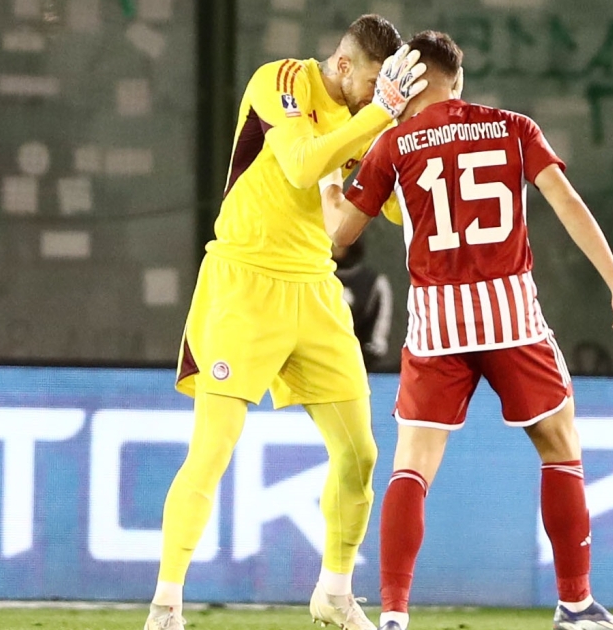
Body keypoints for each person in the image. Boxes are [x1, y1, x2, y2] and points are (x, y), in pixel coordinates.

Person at [319, 31, 613, 630]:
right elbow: (567, 203)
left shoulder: (393, 143)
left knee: (412, 467)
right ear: (458, 81)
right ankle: (576, 605)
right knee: (560, 447)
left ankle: (393, 615)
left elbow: (340, 236)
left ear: (409, 84)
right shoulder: (514, 128)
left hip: (437, 324)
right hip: (510, 317)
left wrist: (329, 183)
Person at [144, 15, 428, 630]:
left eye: (387, 89)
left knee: (360, 456)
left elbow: (396, 209)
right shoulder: (282, 81)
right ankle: (166, 606)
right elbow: (302, 165)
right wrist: (379, 116)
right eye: (375, 84)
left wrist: (412, 135)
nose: (380, 95)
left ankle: (333, 593)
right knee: (212, 451)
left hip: (315, 290)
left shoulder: (368, 117)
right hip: (243, 285)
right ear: (344, 66)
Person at [332, 237, 394, 369]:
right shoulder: (310, 280)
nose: (332, 244)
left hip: (357, 367)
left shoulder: (373, 283)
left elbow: (377, 342)